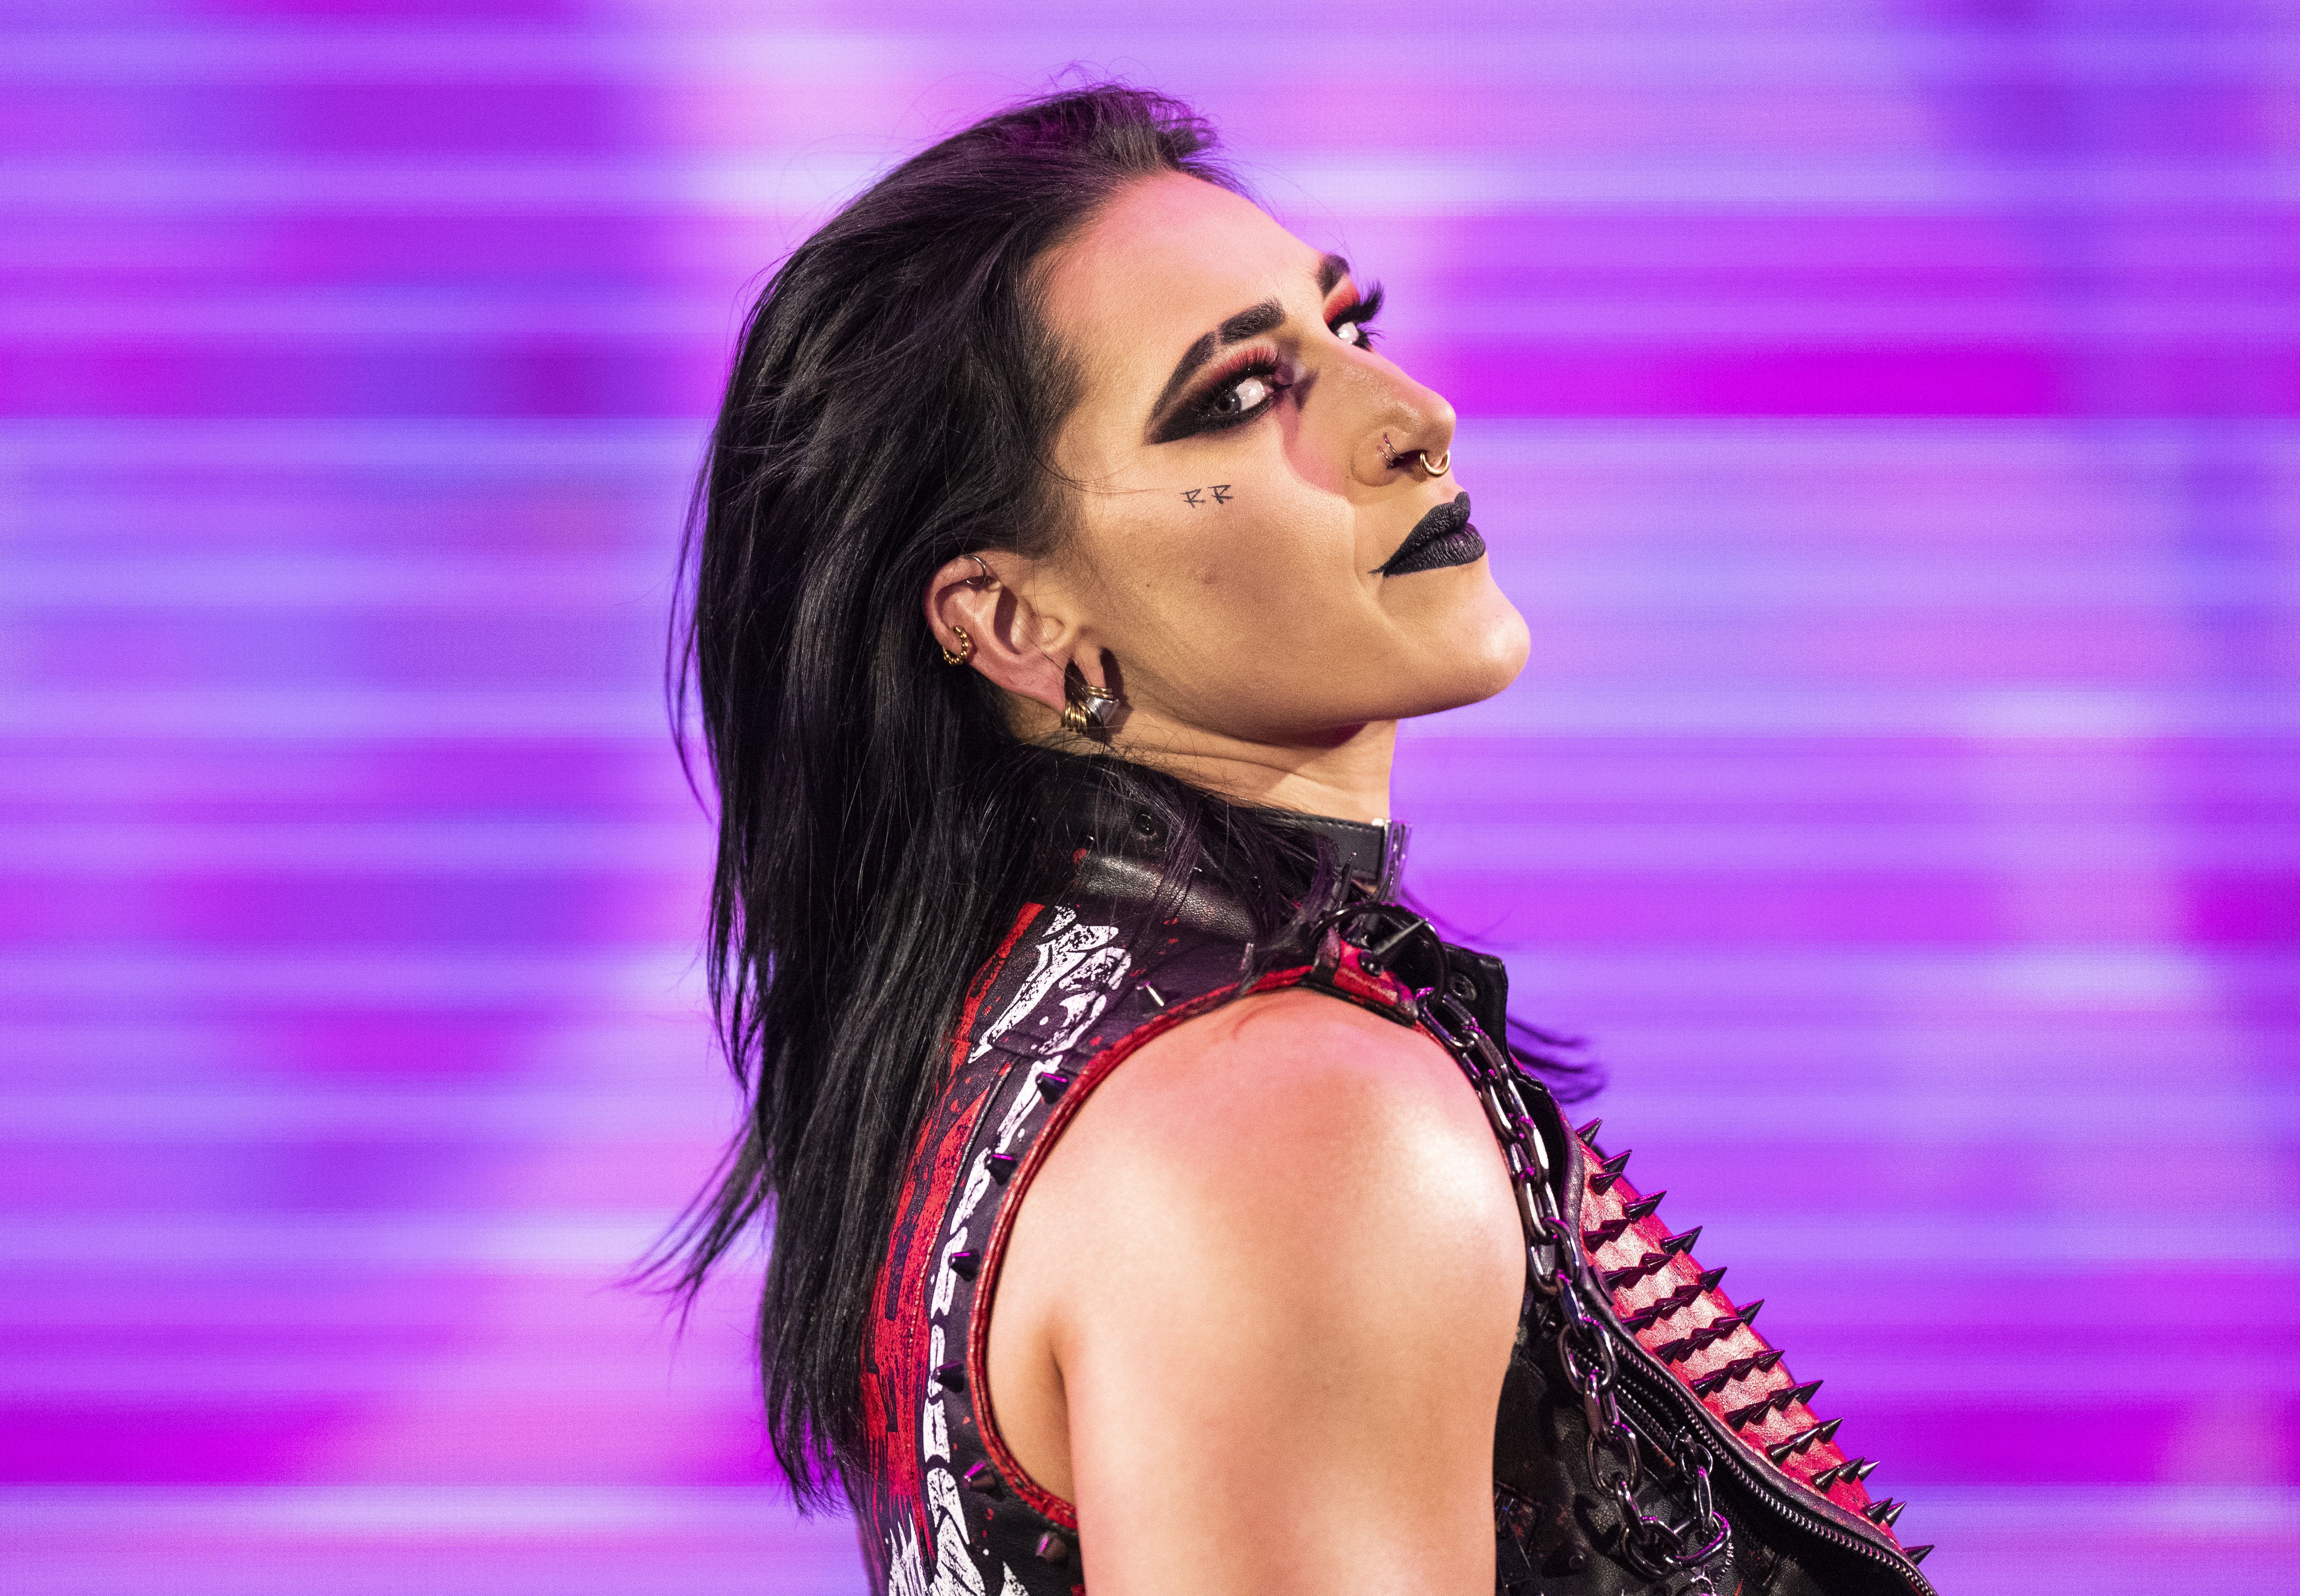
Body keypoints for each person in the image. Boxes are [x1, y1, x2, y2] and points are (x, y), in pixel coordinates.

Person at [661, 85, 1937, 1596]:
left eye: (1350, 327)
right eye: (1240, 392)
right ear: (1014, 618)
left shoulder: (1059, 1046)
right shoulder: (1286, 1128)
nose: (1413, 417)